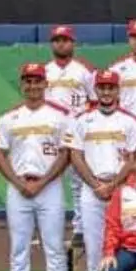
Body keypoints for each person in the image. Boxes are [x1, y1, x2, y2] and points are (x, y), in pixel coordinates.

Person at [0, 63, 75, 271]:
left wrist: (42, 182)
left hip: (48, 186)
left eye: (37, 81)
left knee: (53, 245)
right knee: (19, 246)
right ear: (22, 85)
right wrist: (18, 183)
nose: (32, 86)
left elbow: (66, 153)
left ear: (45, 83)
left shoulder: (60, 115)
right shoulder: (9, 117)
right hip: (18, 188)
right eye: (28, 81)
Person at [65, 69, 136, 271]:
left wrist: (114, 184)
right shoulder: (82, 120)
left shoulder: (130, 120)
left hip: (122, 187)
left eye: (111, 87)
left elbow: (133, 158)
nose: (106, 92)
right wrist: (96, 184)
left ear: (118, 91)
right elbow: (75, 155)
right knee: (94, 245)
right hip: (92, 188)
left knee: (124, 243)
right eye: (102, 87)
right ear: (96, 90)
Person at [42, 25, 96, 249]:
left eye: (65, 40)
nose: (61, 43)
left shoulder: (83, 71)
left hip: (75, 130)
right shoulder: (44, 71)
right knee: (48, 178)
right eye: (57, 40)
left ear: (73, 43)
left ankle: (81, 228)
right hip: (51, 131)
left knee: (78, 181)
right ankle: (47, 226)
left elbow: (93, 101)